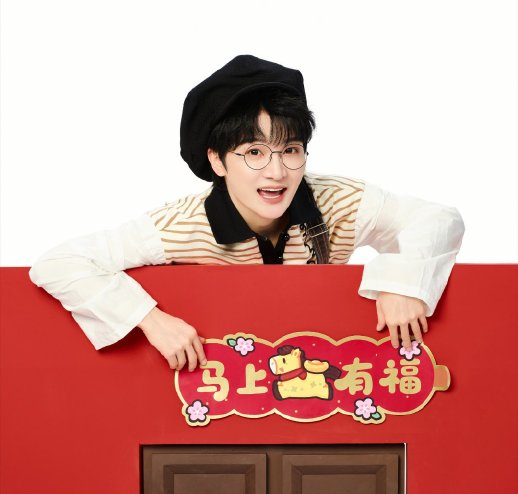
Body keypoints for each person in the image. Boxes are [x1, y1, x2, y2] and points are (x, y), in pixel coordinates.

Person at [29, 55, 465, 372]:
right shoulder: (180, 225)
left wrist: (403, 283)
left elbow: (437, 218)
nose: (277, 172)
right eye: (254, 152)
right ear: (217, 160)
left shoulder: (340, 201)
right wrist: (151, 320)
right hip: (219, 379)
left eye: (290, 150)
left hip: (316, 369)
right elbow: (60, 262)